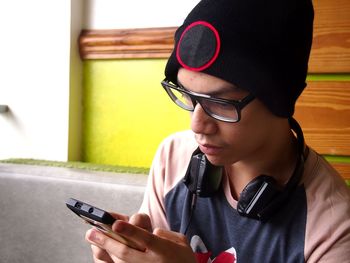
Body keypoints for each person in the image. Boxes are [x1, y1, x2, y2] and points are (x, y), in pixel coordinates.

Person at [85, 0, 350, 262]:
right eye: (188, 96)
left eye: (219, 103)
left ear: (278, 99)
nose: (196, 125)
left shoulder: (335, 228)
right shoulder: (174, 156)